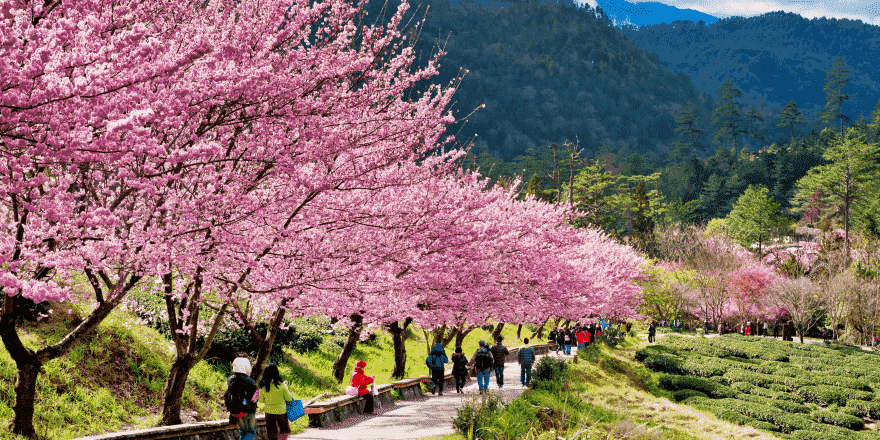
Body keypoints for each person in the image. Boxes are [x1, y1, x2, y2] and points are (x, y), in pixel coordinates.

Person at [257, 364, 294, 440]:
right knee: (285, 430)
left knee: (272, 433)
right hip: (281, 412)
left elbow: (260, 400)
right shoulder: (281, 385)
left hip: (269, 412)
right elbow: (289, 398)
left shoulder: (262, 386)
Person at [226, 357, 259, 440]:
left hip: (235, 410)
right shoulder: (249, 381)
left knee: (242, 431)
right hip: (248, 410)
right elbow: (255, 396)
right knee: (250, 431)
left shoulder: (230, 380)